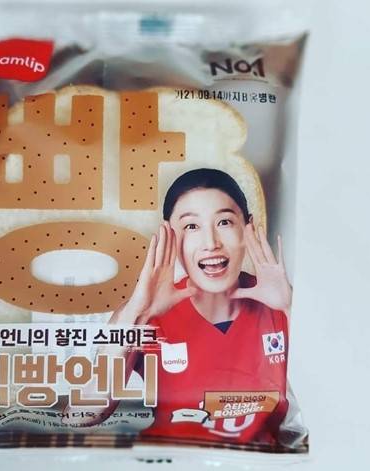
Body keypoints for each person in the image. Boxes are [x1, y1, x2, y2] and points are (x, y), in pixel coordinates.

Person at [67, 168, 292, 446]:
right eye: (191, 226)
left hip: (256, 462)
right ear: (170, 235)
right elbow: (79, 416)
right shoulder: (145, 316)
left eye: (224, 222)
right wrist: (138, 313)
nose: (211, 243)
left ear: (248, 228)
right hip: (169, 460)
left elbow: (327, 401)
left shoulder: (279, 304)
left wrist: (292, 308)